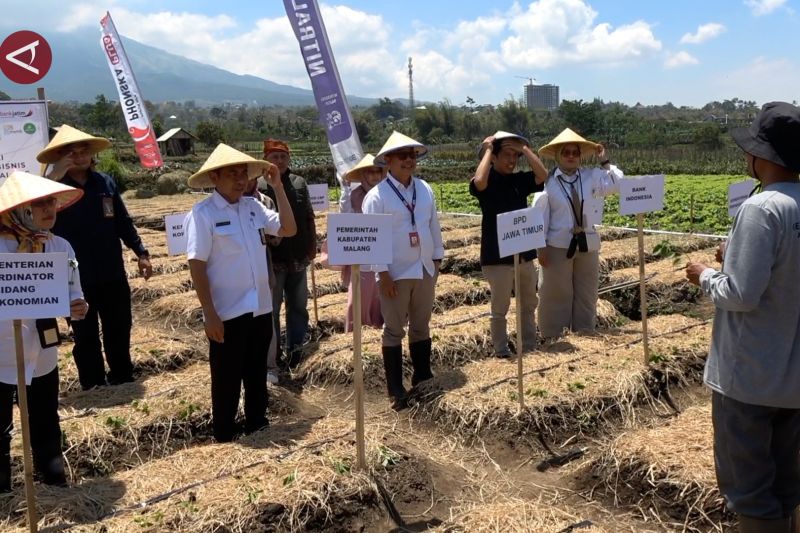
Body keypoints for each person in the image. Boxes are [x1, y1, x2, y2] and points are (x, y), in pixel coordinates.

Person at [686, 102, 800, 533]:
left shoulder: (761, 209)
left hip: (750, 375)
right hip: (793, 377)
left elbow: (740, 294)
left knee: (750, 488)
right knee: (787, 481)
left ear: (762, 157)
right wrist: (734, 257)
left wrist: (707, 274)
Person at [185, 144, 296, 442]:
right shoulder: (203, 214)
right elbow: (197, 265)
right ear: (215, 177)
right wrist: (209, 313)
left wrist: (279, 187)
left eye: (243, 173)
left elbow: (288, 228)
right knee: (226, 379)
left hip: (260, 307)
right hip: (227, 312)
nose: (239, 178)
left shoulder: (254, 207)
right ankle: (224, 434)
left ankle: (257, 426)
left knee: (256, 374)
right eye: (231, 173)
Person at [36, 125, 152, 390]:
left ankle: (122, 376)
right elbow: (36, 210)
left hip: (111, 271)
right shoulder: (53, 189)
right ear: (60, 157)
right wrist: (55, 174)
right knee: (85, 333)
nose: (79, 156)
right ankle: (93, 385)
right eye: (71, 152)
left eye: (83, 151)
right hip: (74, 278)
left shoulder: (105, 183)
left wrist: (141, 253)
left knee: (119, 327)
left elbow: (123, 222)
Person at [0, 171, 89, 491]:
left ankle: (52, 480)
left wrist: (76, 306)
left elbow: (72, 291)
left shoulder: (60, 247)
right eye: (39, 204)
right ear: (19, 209)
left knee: (44, 419)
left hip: (42, 350)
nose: (49, 209)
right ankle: (2, 489)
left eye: (50, 202)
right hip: (1, 350)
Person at [363, 131, 444, 410]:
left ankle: (423, 375)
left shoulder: (425, 189)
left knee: (421, 325)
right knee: (394, 329)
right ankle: (395, 387)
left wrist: (437, 258)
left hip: (423, 267)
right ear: (388, 160)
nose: (409, 161)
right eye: (402, 156)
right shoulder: (377, 197)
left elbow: (433, 225)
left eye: (412, 155)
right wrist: (382, 273)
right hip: (395, 271)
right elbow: (374, 238)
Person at [535, 128, 622, 339]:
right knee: (556, 292)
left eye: (575, 152)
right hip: (558, 245)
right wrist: (541, 248)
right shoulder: (549, 181)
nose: (571, 156)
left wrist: (604, 161)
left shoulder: (590, 176)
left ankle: (585, 334)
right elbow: (542, 216)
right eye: (566, 153)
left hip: (587, 243)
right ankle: (554, 337)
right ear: (558, 156)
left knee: (587, 292)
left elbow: (617, 183)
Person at [470, 131, 548, 357]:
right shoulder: (487, 181)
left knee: (528, 304)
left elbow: (543, 175)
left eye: (515, 156)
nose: (512, 161)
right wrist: (487, 150)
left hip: (524, 253)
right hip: (497, 257)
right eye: (506, 155)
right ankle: (502, 350)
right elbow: (479, 181)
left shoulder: (519, 180)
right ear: (493, 157)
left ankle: (529, 345)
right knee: (500, 307)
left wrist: (523, 148)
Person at [262, 139, 316, 367]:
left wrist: (312, 246)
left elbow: (308, 217)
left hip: (299, 257)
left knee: (298, 306)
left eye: (283, 156)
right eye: (275, 156)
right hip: (274, 261)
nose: (280, 161)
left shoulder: (299, 182)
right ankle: (273, 356)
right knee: (272, 310)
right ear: (266, 159)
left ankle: (296, 348)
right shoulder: (258, 187)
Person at [342, 154, 386, 332]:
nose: (375, 176)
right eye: (370, 172)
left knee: (380, 296)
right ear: (363, 175)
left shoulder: (387, 193)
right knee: (360, 297)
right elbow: (346, 219)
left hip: (385, 253)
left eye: (378, 172)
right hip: (363, 254)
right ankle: (357, 333)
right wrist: (344, 192)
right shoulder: (354, 196)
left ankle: (380, 329)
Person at [245, 177, 281, 386]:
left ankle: (270, 367)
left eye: (249, 175)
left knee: (266, 318)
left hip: (263, 269)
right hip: (239, 275)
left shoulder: (264, 203)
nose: (245, 180)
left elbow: (279, 236)